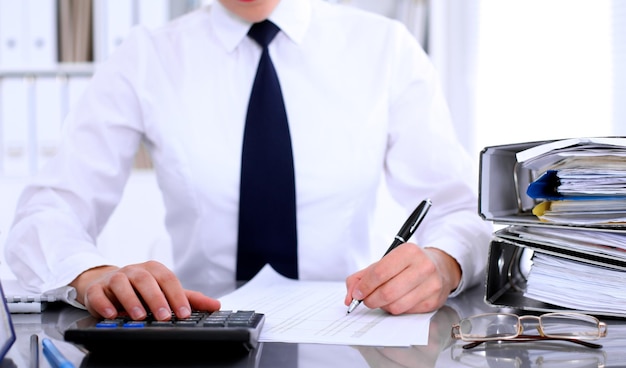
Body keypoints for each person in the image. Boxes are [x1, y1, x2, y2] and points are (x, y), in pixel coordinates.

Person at [4, 0, 492, 321]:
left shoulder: (387, 49)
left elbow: (462, 209)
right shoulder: (147, 57)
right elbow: (46, 213)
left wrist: (443, 262)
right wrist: (90, 273)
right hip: (198, 339)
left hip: (351, 340)